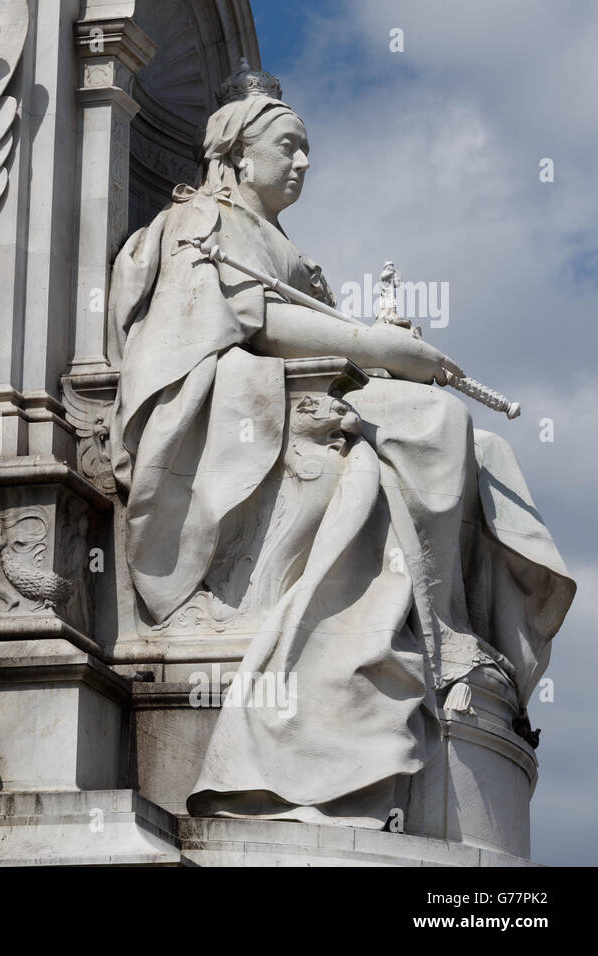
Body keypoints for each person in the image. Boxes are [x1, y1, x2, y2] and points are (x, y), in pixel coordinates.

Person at [110, 64, 574, 826]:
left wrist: (387, 353)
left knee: (482, 451)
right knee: (435, 425)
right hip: (221, 405)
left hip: (290, 396)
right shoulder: (201, 222)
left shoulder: (275, 239)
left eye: (306, 150)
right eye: (287, 146)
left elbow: (312, 340)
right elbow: (241, 321)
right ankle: (433, 632)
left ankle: (454, 635)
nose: (303, 163)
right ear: (232, 157)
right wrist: (376, 347)